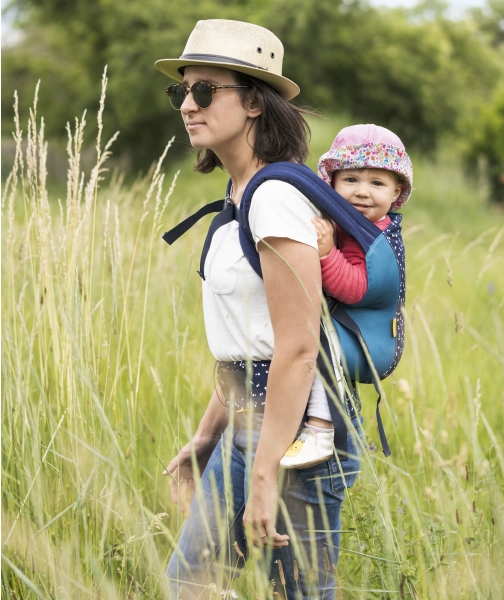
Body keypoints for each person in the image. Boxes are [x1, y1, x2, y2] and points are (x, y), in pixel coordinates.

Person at [156, 19, 362, 600]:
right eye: (180, 91)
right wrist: (207, 435)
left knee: (294, 593)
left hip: (299, 433)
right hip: (249, 420)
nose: (187, 105)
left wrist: (268, 471)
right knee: (191, 583)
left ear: (252, 102)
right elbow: (252, 341)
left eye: (203, 90)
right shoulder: (239, 196)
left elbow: (296, 349)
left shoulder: (273, 199)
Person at [279, 124, 413, 470]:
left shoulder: (374, 235)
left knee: (317, 343)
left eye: (377, 183)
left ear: (397, 191)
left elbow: (356, 288)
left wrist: (326, 254)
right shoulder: (348, 222)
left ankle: (322, 427)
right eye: (350, 180)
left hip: (365, 337)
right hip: (352, 326)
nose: (362, 192)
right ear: (333, 183)